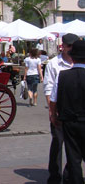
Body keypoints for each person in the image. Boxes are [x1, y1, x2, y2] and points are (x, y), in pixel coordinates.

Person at [44, 33, 79, 184]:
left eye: (73, 46)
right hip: (59, 108)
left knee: (75, 146)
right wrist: (52, 112)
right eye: (69, 46)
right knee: (58, 142)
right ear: (63, 46)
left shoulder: (79, 62)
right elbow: (48, 88)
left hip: (76, 110)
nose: (71, 49)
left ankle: (68, 174)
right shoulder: (53, 64)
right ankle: (54, 175)